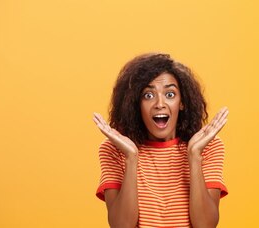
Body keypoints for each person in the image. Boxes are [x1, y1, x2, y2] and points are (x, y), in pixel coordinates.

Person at [92, 53, 229, 228]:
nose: (159, 104)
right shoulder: (115, 150)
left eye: (170, 94)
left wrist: (195, 156)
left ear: (182, 102)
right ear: (136, 103)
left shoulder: (208, 147)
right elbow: (121, 226)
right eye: (148, 95)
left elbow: (206, 225)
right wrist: (131, 158)